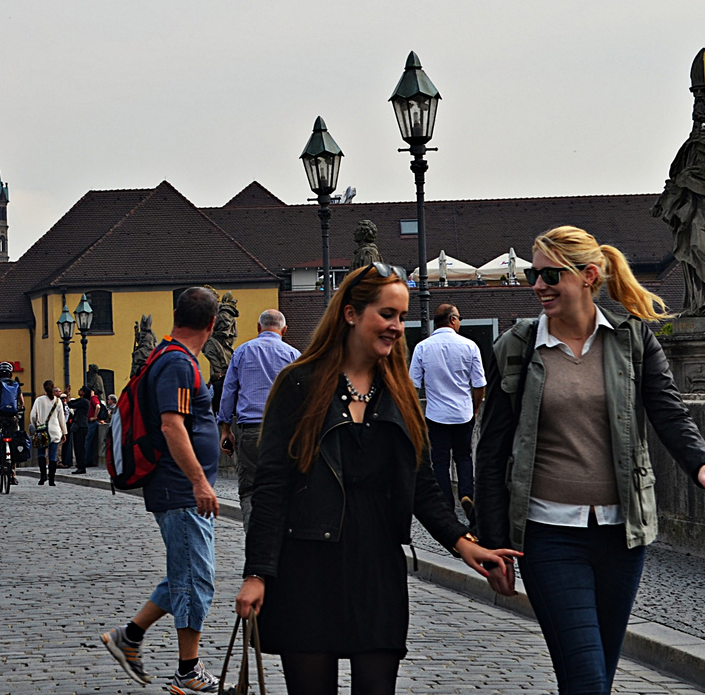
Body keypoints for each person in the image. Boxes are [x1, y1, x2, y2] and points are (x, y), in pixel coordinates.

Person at [233, 265, 518, 695]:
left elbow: (421, 485)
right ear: (350, 313)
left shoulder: (399, 391)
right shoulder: (299, 385)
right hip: (307, 566)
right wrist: (257, 573)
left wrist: (465, 544)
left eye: (402, 317)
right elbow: (272, 487)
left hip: (378, 567)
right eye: (387, 315)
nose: (398, 328)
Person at [476, 227, 705, 695]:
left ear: (588, 276)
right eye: (535, 275)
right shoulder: (517, 347)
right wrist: (494, 544)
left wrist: (704, 464)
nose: (538, 285)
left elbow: (668, 411)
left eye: (551, 274)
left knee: (597, 678)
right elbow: (491, 451)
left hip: (622, 536)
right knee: (587, 681)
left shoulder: (631, 341)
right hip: (547, 537)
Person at [100, 288, 228, 695]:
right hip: (179, 489)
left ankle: (130, 637)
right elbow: (173, 426)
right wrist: (199, 480)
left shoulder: (167, 355)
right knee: (196, 579)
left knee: (184, 574)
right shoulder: (177, 363)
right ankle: (188, 670)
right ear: (211, 326)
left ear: (176, 316)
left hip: (174, 487)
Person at [216, 308, 301, 524]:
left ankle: (255, 542)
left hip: (250, 432)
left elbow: (228, 392)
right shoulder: (293, 355)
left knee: (250, 490)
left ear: (258, 327)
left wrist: (226, 429)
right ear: (284, 330)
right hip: (283, 432)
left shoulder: (242, 352)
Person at [409, 304, 487, 526]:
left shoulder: (422, 348)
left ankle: (446, 506)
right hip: (463, 414)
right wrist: (475, 409)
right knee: (463, 457)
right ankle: (467, 494)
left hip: (435, 415)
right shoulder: (470, 346)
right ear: (452, 319)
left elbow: (412, 385)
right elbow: (480, 384)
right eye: (459, 318)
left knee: (440, 462)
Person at [30, 380, 69, 486]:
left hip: (42, 431)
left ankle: (43, 476)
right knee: (53, 456)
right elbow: (61, 418)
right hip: (55, 431)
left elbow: (33, 416)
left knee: (41, 454)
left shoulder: (39, 400)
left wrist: (36, 426)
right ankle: (52, 479)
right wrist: (64, 432)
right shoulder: (57, 401)